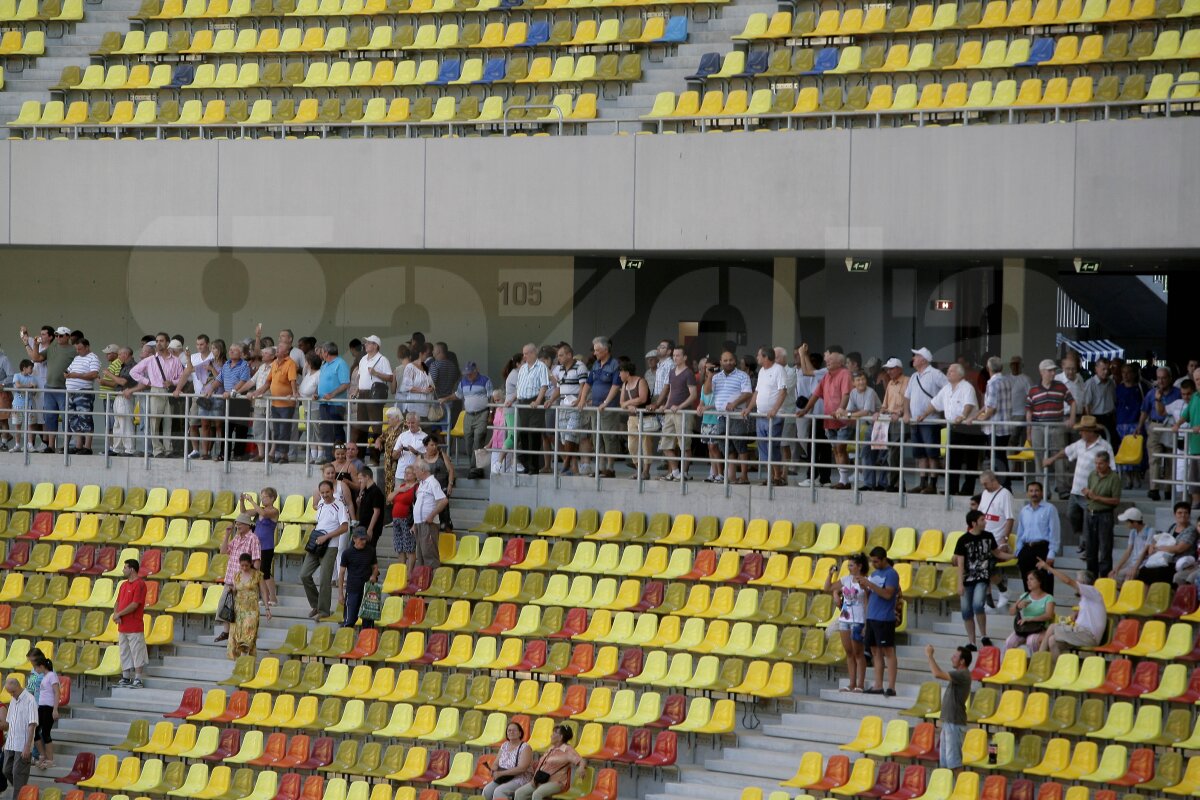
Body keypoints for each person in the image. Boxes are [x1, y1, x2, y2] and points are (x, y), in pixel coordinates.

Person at [1044, 415, 1114, 558]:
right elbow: (1067, 451)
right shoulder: (1080, 443)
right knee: (1071, 515)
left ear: (1090, 431)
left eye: (1082, 430)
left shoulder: (1105, 446)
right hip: (1076, 490)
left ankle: (1088, 548)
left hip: (1091, 492)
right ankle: (1084, 539)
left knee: (1089, 520)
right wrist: (1053, 459)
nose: (1080, 433)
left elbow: (1112, 467)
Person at [955, 510, 1005, 651]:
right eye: (982, 520)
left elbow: (998, 553)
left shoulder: (988, 536)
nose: (985, 522)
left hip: (982, 577)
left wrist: (1013, 556)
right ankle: (972, 642)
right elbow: (960, 564)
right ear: (974, 523)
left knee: (978, 605)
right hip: (966, 580)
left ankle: (983, 635)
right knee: (966, 612)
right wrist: (960, 584)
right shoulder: (963, 540)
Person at [930, 363, 981, 496]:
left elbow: (969, 404)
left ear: (960, 374)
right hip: (954, 427)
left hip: (969, 428)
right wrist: (922, 415)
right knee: (953, 460)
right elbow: (935, 404)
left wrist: (963, 415)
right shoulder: (946, 388)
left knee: (971, 460)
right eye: (948, 371)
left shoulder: (967, 387)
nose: (948, 373)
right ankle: (951, 489)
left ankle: (967, 490)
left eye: (951, 371)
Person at [301, 481, 349, 620]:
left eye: (327, 492)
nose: (325, 495)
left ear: (332, 490)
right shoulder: (321, 504)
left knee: (324, 578)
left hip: (330, 545)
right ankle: (316, 604)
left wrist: (326, 537)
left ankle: (324, 610)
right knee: (304, 574)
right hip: (317, 543)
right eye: (322, 493)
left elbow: (344, 527)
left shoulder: (339, 505)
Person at [1037, 560, 1107, 656]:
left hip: (1088, 636)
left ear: (1083, 582)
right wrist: (1078, 614)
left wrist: (1048, 568)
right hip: (1081, 633)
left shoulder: (1093, 591)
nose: (1075, 582)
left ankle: (1038, 659)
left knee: (1052, 627)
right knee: (1052, 641)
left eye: (1077, 580)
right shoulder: (1086, 598)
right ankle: (1057, 669)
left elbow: (1067, 581)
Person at [578, 337, 622, 478]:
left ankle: (610, 468)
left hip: (608, 408)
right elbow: (588, 383)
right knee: (597, 438)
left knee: (608, 437)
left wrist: (606, 402)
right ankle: (600, 468)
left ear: (605, 350)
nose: (594, 353)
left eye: (597, 350)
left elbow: (616, 385)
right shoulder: (596, 365)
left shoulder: (615, 364)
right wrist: (582, 400)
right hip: (595, 408)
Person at [859, 546, 900, 696]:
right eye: (872, 562)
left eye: (876, 561)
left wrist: (870, 584)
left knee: (888, 651)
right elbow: (871, 595)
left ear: (883, 559)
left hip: (884, 618)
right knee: (875, 651)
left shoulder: (891, 574)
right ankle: (878, 685)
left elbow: (888, 594)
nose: (873, 564)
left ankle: (891, 686)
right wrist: (865, 587)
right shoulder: (875, 574)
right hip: (872, 616)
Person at [924, 644, 972, 771]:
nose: (952, 658)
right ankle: (950, 790)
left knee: (955, 764)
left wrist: (930, 655)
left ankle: (961, 790)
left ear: (962, 661)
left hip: (954, 723)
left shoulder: (962, 674)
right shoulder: (959, 674)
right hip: (949, 722)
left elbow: (937, 674)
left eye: (955, 656)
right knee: (946, 764)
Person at [215, 513, 262, 643]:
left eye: (240, 524)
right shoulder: (236, 538)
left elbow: (257, 560)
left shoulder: (253, 539)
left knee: (241, 610)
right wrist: (227, 535)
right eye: (237, 523)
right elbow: (223, 551)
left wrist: (252, 578)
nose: (237, 526)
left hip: (243, 581)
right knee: (225, 606)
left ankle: (241, 635)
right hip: (230, 578)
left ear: (247, 525)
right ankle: (226, 632)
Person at [745, 346, 787, 487]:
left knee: (772, 447)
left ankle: (777, 476)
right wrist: (749, 408)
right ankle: (770, 476)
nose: (757, 358)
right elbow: (756, 393)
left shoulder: (778, 370)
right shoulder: (762, 371)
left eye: (759, 355)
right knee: (763, 447)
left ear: (766, 357)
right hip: (760, 415)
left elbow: (783, 392)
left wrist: (774, 409)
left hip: (774, 417)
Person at [827, 553, 868, 693]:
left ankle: (860, 684)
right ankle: (851, 683)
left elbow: (867, 602)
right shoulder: (845, 579)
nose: (849, 568)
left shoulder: (865, 581)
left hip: (859, 619)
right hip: (845, 618)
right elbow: (828, 587)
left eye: (851, 565)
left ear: (859, 566)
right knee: (849, 652)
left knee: (858, 653)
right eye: (848, 565)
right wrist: (830, 574)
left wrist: (867, 623)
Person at [711, 350, 753, 485]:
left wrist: (735, 403)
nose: (728, 362)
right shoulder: (716, 377)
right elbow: (706, 391)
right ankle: (732, 477)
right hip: (721, 417)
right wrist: (709, 374)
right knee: (727, 448)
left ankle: (744, 476)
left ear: (735, 361)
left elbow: (747, 393)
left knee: (740, 446)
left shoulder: (742, 376)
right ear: (721, 362)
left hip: (737, 416)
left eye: (730, 360)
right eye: (725, 360)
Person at [1079, 451, 1121, 577]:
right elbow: (1091, 495)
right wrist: (1087, 494)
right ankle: (1090, 578)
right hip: (1090, 513)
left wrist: (1096, 497)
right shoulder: (1092, 475)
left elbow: (1116, 501)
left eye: (1101, 463)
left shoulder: (1114, 478)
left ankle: (1104, 579)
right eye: (1096, 463)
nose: (1098, 466)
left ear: (1108, 463)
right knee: (1090, 549)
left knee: (1105, 549)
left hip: (1105, 515)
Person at [514, 724, 584, 800]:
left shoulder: (567, 749)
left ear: (561, 737)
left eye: (554, 733)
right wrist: (534, 779)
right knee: (519, 793)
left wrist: (581, 768)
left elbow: (581, 760)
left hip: (556, 782)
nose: (551, 736)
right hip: (540, 779)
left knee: (537, 794)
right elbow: (540, 765)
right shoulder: (551, 748)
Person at [350, 335, 392, 459]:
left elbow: (390, 377)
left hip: (374, 393)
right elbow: (360, 377)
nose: (366, 345)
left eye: (369, 343)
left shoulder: (383, 359)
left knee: (376, 426)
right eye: (366, 343)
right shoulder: (363, 359)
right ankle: (360, 456)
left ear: (375, 345)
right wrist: (356, 390)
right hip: (362, 393)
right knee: (361, 425)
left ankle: (375, 457)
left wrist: (376, 373)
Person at [1014, 481, 1060, 593]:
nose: (1034, 493)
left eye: (1036, 491)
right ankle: (1030, 609)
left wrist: (1052, 553)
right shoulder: (1024, 510)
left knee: (1045, 584)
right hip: (1026, 550)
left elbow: (1055, 532)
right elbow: (1020, 532)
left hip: (1043, 549)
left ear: (1042, 492)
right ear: (1027, 493)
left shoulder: (1050, 509)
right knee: (1028, 585)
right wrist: (1018, 551)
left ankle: (1047, 610)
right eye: (1031, 491)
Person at [1137, 502, 1198, 585]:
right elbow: (1160, 536)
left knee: (1159, 572)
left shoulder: (1191, 530)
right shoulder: (1173, 527)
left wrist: (1158, 548)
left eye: (1186, 513)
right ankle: (1146, 597)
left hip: (1179, 563)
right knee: (1144, 570)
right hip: (1166, 560)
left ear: (1189, 515)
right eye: (1180, 513)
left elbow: (1179, 549)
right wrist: (1152, 544)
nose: (1183, 515)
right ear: (1174, 514)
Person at [453, 361, 493, 479]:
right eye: (466, 373)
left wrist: (491, 413)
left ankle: (473, 468)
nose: (468, 375)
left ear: (476, 370)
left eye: (470, 373)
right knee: (468, 440)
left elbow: (491, 397)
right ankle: (475, 466)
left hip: (482, 413)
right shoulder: (463, 382)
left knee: (478, 438)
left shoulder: (485, 380)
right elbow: (458, 395)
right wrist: (445, 398)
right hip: (468, 414)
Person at [113, 559, 147, 688]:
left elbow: (134, 604)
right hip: (123, 625)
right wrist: (116, 614)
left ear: (131, 569)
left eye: (125, 567)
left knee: (137, 651)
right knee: (124, 651)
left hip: (134, 625)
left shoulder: (140, 584)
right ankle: (126, 676)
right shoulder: (123, 585)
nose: (123, 570)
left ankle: (138, 678)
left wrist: (119, 614)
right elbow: (117, 602)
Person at [228, 553, 270, 658]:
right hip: (238, 609)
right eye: (242, 565)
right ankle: (241, 659)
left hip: (252, 609)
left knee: (249, 631)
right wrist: (231, 590)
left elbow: (264, 592)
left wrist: (267, 608)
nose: (244, 568)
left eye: (246, 565)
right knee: (237, 633)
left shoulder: (257, 575)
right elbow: (235, 590)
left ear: (251, 563)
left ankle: (244, 654)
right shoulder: (237, 575)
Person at [242, 488, 279, 607]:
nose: (262, 499)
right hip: (256, 546)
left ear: (272, 498)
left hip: (267, 546)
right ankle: (265, 596)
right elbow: (244, 513)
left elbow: (264, 514)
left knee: (265, 572)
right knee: (257, 571)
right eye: (261, 497)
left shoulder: (274, 511)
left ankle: (273, 597)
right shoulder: (259, 510)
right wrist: (242, 501)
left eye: (265, 497)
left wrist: (252, 501)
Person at [1004, 569, 1055, 654]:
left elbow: (1049, 615)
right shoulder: (1025, 595)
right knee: (1009, 642)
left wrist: (1030, 619)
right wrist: (1018, 606)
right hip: (1025, 628)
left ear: (1039, 581)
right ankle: (1008, 665)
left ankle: (1035, 665)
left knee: (1031, 641)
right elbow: (1011, 612)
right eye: (1027, 579)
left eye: (1031, 579)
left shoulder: (1048, 597)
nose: (1028, 582)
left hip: (1040, 628)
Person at [2, 675, 37, 797]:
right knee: (6, 770)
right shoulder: (13, 699)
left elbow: (32, 724)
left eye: (12, 692)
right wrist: (7, 742)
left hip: (22, 745)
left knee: (18, 775)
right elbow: (10, 723)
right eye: (9, 693)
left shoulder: (30, 700)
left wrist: (27, 746)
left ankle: (20, 793)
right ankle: (24, 791)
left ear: (18, 687)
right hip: (11, 743)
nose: (11, 695)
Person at [618, 359, 653, 480]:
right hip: (632, 418)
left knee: (646, 444)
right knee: (631, 445)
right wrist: (629, 405)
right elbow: (621, 403)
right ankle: (639, 469)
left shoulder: (641, 381)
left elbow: (642, 399)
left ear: (627, 373)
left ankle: (646, 471)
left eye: (620, 372)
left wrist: (628, 403)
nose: (619, 375)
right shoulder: (625, 385)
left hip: (644, 417)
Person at [339, 529, 380, 629]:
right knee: (349, 620)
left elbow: (375, 567)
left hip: (367, 590)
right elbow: (341, 573)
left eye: (365, 539)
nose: (363, 542)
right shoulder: (347, 553)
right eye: (361, 539)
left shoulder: (371, 551)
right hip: (352, 589)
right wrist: (340, 593)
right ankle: (347, 642)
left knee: (368, 621)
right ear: (354, 539)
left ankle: (366, 643)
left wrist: (374, 575)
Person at [317, 342, 351, 461]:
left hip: (336, 404)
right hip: (323, 403)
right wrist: (317, 394)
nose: (320, 354)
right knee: (326, 431)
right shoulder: (324, 364)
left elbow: (346, 383)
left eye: (321, 352)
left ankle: (339, 458)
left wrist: (332, 394)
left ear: (326, 353)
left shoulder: (341, 364)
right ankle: (329, 457)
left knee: (336, 431)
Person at [483, 721, 533, 800]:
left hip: (520, 778)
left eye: (514, 730)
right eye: (509, 730)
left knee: (499, 791)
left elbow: (522, 768)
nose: (511, 732)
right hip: (504, 777)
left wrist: (500, 773)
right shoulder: (504, 745)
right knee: (487, 790)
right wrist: (493, 770)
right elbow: (496, 763)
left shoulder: (525, 747)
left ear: (520, 733)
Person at [412, 459, 448, 570]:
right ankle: (423, 582)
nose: (414, 472)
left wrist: (432, 515)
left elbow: (443, 500)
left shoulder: (432, 482)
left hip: (428, 523)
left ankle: (433, 582)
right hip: (419, 523)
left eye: (415, 470)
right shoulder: (422, 484)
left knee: (429, 553)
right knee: (421, 554)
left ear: (422, 470)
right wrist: (414, 523)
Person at [421, 432, 456, 532]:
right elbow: (417, 472)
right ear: (426, 446)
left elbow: (451, 470)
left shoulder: (441, 455)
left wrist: (450, 484)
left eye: (436, 445)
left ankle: (447, 531)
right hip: (428, 489)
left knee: (444, 511)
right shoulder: (421, 458)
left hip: (442, 487)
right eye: (432, 445)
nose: (434, 447)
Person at [1111, 507, 1155, 584]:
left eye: (1127, 522)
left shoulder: (1150, 531)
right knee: (1113, 577)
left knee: (1127, 580)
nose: (1125, 524)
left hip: (1143, 565)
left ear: (1135, 523)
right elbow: (1128, 551)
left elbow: (1145, 551)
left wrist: (1135, 568)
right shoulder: (1133, 532)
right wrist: (1117, 568)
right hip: (1133, 564)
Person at [31, 657, 59, 770]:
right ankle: (42, 755)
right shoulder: (45, 676)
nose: (35, 669)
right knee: (35, 732)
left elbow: (57, 692)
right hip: (41, 707)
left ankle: (50, 759)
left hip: (49, 708)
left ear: (42, 666)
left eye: (36, 667)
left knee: (46, 733)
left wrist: (55, 709)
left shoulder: (52, 675)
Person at [389, 465, 419, 571]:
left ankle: (410, 573)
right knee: (400, 547)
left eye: (409, 472)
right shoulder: (401, 486)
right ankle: (401, 572)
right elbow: (389, 498)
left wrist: (415, 524)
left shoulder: (416, 487)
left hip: (408, 519)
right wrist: (398, 490)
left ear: (415, 475)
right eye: (405, 472)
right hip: (396, 519)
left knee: (409, 547)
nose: (406, 474)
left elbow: (417, 505)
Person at [375, 407, 405, 498]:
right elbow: (382, 436)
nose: (387, 420)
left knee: (397, 486)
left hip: (398, 461)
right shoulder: (390, 428)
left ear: (396, 418)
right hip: (388, 462)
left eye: (389, 418)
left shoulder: (404, 428)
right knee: (389, 485)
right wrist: (378, 440)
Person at [9, 360, 37, 453]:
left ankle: (30, 445)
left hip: (29, 405)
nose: (32, 370)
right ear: (24, 368)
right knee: (18, 426)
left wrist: (32, 388)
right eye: (30, 368)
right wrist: (28, 387)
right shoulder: (17, 375)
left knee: (30, 426)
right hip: (17, 405)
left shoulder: (32, 378)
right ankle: (17, 445)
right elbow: (17, 385)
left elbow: (34, 392)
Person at [356, 467, 386, 548]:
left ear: (367, 477)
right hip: (363, 525)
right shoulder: (365, 491)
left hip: (371, 527)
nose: (359, 481)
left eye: (360, 478)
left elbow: (376, 512)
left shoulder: (375, 491)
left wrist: (370, 529)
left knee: (369, 550)